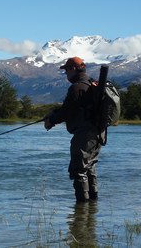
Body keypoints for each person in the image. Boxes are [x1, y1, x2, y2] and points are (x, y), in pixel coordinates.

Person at [44, 56, 105, 202]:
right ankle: (92, 208)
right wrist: (54, 114)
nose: (66, 74)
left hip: (84, 135)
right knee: (89, 168)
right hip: (98, 133)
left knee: (78, 170)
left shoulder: (77, 87)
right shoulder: (91, 84)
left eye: (66, 70)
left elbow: (67, 112)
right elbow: (75, 108)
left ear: (73, 69)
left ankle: (81, 207)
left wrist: (51, 121)